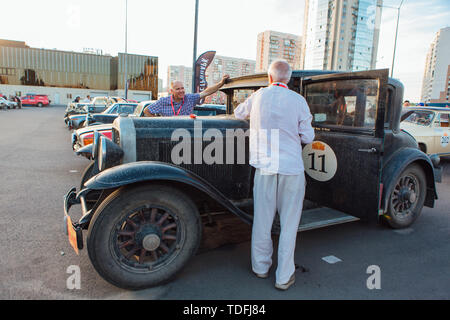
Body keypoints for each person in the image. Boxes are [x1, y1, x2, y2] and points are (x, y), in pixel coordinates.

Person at [234, 60, 315, 290]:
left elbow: (239, 113)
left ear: (269, 78)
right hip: (291, 168)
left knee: (262, 219)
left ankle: (260, 268)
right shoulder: (299, 100)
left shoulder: (258, 96)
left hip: (264, 167)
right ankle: (283, 277)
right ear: (287, 79)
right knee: (289, 224)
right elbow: (308, 137)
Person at [143, 74, 230, 117]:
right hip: (168, 135)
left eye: (182, 88)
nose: (181, 91)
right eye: (178, 89)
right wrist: (159, 122)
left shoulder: (189, 98)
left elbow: (206, 92)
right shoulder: (163, 101)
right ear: (171, 91)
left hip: (185, 136)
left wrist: (221, 83)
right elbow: (146, 110)